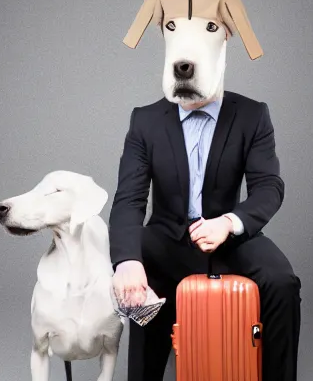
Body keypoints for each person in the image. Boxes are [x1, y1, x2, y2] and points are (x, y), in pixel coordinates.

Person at [108, 91, 301, 381]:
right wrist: (127, 261)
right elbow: (129, 199)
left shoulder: (252, 114)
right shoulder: (145, 119)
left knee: (281, 282)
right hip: (167, 239)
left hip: (229, 238)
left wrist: (228, 223)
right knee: (137, 259)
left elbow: (268, 186)